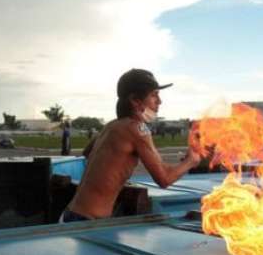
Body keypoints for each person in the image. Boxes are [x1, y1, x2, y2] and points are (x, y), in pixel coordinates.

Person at [61, 68, 201, 222]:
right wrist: (191, 161)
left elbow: (87, 152)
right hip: (87, 221)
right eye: (154, 95)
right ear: (135, 100)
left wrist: (116, 173)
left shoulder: (112, 125)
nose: (159, 101)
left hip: (70, 213)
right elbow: (164, 179)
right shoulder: (138, 129)